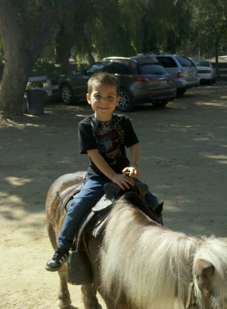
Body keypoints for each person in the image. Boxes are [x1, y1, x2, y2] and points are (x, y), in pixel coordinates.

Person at [45, 72, 160, 272]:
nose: (103, 102)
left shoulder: (123, 122)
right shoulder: (86, 126)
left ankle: (158, 244)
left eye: (109, 97)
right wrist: (113, 176)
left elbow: (134, 145)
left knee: (152, 202)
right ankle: (62, 248)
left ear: (117, 100)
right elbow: (95, 155)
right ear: (89, 98)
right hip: (99, 177)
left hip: (124, 175)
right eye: (98, 96)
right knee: (78, 206)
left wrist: (134, 164)